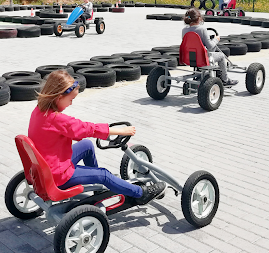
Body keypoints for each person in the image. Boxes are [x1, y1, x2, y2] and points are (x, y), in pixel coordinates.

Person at [28, 70, 166, 205]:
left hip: (46, 166)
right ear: (59, 97)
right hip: (58, 176)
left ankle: (96, 187)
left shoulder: (39, 111)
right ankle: (141, 193)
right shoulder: (57, 119)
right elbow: (87, 128)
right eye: (71, 99)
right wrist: (120, 131)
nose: (71, 103)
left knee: (87, 145)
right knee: (104, 174)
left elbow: (79, 129)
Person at [182, 8, 238, 87]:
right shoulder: (202, 29)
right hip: (202, 58)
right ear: (199, 18)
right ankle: (225, 80)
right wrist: (216, 39)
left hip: (189, 58)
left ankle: (200, 74)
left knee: (207, 52)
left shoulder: (184, 30)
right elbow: (210, 46)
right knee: (221, 56)